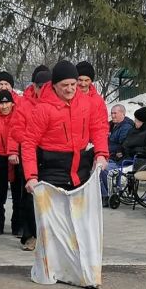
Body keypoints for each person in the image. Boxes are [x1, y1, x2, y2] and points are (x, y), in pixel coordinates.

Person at [22, 59, 109, 193]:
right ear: (54, 85)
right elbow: (29, 143)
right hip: (52, 173)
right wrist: (31, 176)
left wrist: (101, 153)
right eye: (64, 85)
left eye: (73, 84)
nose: (70, 89)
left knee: (80, 213)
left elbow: (98, 128)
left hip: (81, 171)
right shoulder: (43, 109)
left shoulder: (86, 103)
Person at [7, 68, 51, 250]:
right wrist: (28, 139)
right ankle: (29, 235)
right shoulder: (24, 104)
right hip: (29, 152)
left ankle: (48, 235)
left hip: (50, 154)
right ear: (34, 86)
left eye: (48, 86)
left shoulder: (56, 103)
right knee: (28, 196)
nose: (44, 90)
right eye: (40, 86)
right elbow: (15, 129)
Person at [0, 89, 21, 236]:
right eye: (1, 103)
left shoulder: (19, 118)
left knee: (18, 194)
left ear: (13, 104)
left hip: (16, 159)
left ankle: (18, 225)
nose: (4, 106)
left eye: (7, 103)